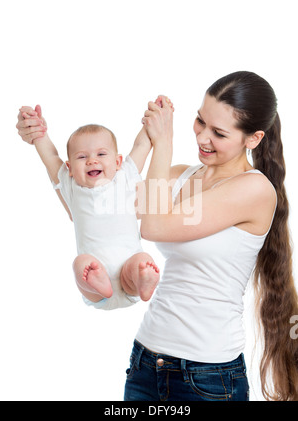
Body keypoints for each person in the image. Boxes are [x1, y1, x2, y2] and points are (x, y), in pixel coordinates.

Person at [124, 72, 298, 401]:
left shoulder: (255, 189)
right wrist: (145, 140)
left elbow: (154, 226)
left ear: (253, 138)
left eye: (218, 132)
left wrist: (163, 144)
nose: (203, 137)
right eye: (200, 121)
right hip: (146, 362)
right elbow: (100, 208)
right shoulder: (179, 176)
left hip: (207, 377)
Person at [16, 104, 169, 310]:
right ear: (69, 168)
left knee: (141, 260)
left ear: (118, 162)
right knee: (81, 263)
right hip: (95, 286)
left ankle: (144, 279)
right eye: (82, 156)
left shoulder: (124, 176)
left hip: (128, 273)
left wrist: (153, 116)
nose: (91, 160)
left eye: (101, 154)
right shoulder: (71, 185)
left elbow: (142, 145)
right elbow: (51, 157)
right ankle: (100, 280)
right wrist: (38, 131)